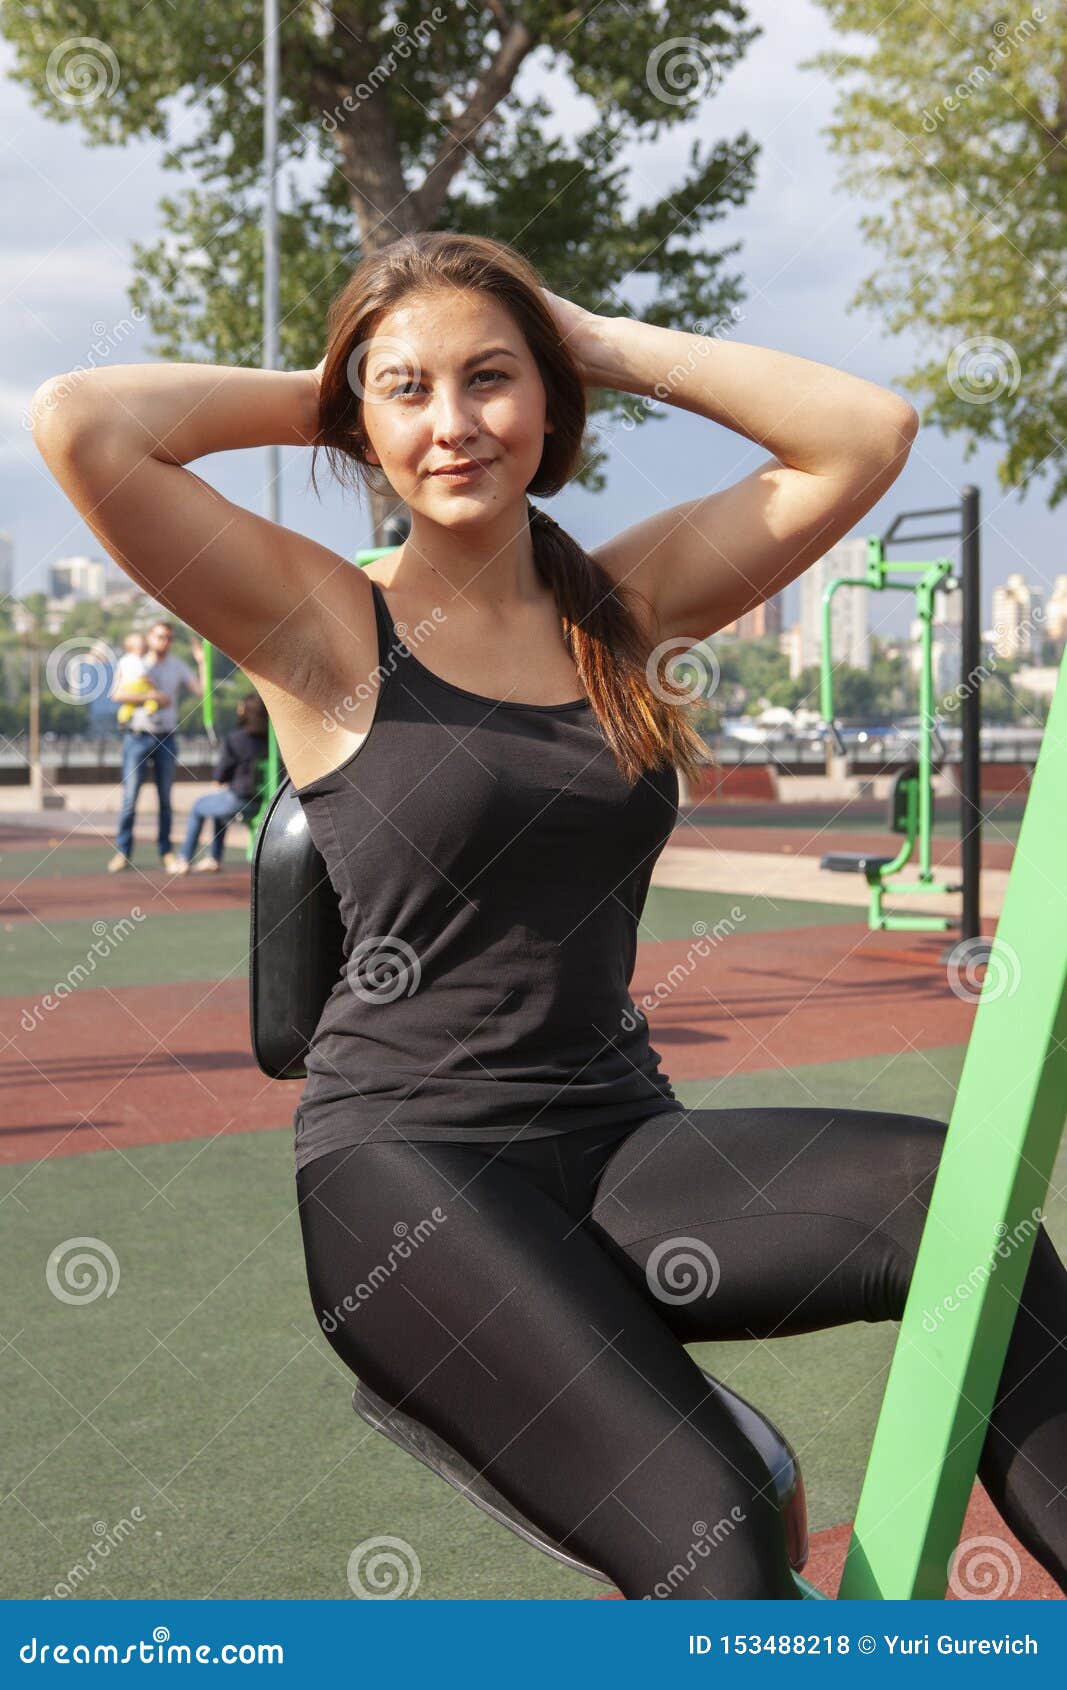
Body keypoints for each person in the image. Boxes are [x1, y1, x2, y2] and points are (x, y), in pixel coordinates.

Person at [31, 231, 1067, 1601]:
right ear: (364, 419)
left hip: (614, 1141)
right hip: (407, 1169)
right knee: (719, 1520)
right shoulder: (322, 624)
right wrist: (336, 381)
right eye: (407, 392)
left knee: (956, 1208)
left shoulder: (620, 612)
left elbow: (859, 435)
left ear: (551, 401)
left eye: (490, 380)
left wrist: (589, 337)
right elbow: (81, 422)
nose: (452, 423)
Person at [107, 620, 204, 873]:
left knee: (165, 800)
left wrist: (202, 662)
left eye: (168, 638)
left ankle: (166, 851)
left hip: (166, 738)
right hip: (136, 737)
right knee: (129, 799)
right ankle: (123, 851)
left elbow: (200, 690)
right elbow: (116, 695)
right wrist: (151, 696)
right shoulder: (132, 661)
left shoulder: (178, 666)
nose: (164, 642)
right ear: (149, 638)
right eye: (160, 637)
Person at [172, 692, 270, 873]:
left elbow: (220, 775)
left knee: (198, 806)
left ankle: (184, 858)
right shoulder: (271, 740)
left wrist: (222, 780)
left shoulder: (236, 738)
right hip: (266, 803)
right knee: (218, 806)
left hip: (240, 800)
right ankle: (213, 858)